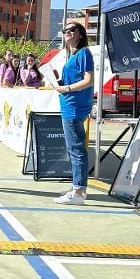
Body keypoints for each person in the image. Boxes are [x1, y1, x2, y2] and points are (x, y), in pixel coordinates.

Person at [52, 22, 94, 205]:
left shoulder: (84, 52)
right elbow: (74, 80)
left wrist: (66, 88)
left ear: (80, 34)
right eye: (65, 30)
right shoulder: (73, 55)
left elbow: (89, 80)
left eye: (72, 30)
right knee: (75, 148)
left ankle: (78, 191)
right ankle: (79, 188)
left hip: (74, 107)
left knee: (76, 149)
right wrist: (59, 80)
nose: (67, 32)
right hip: (70, 105)